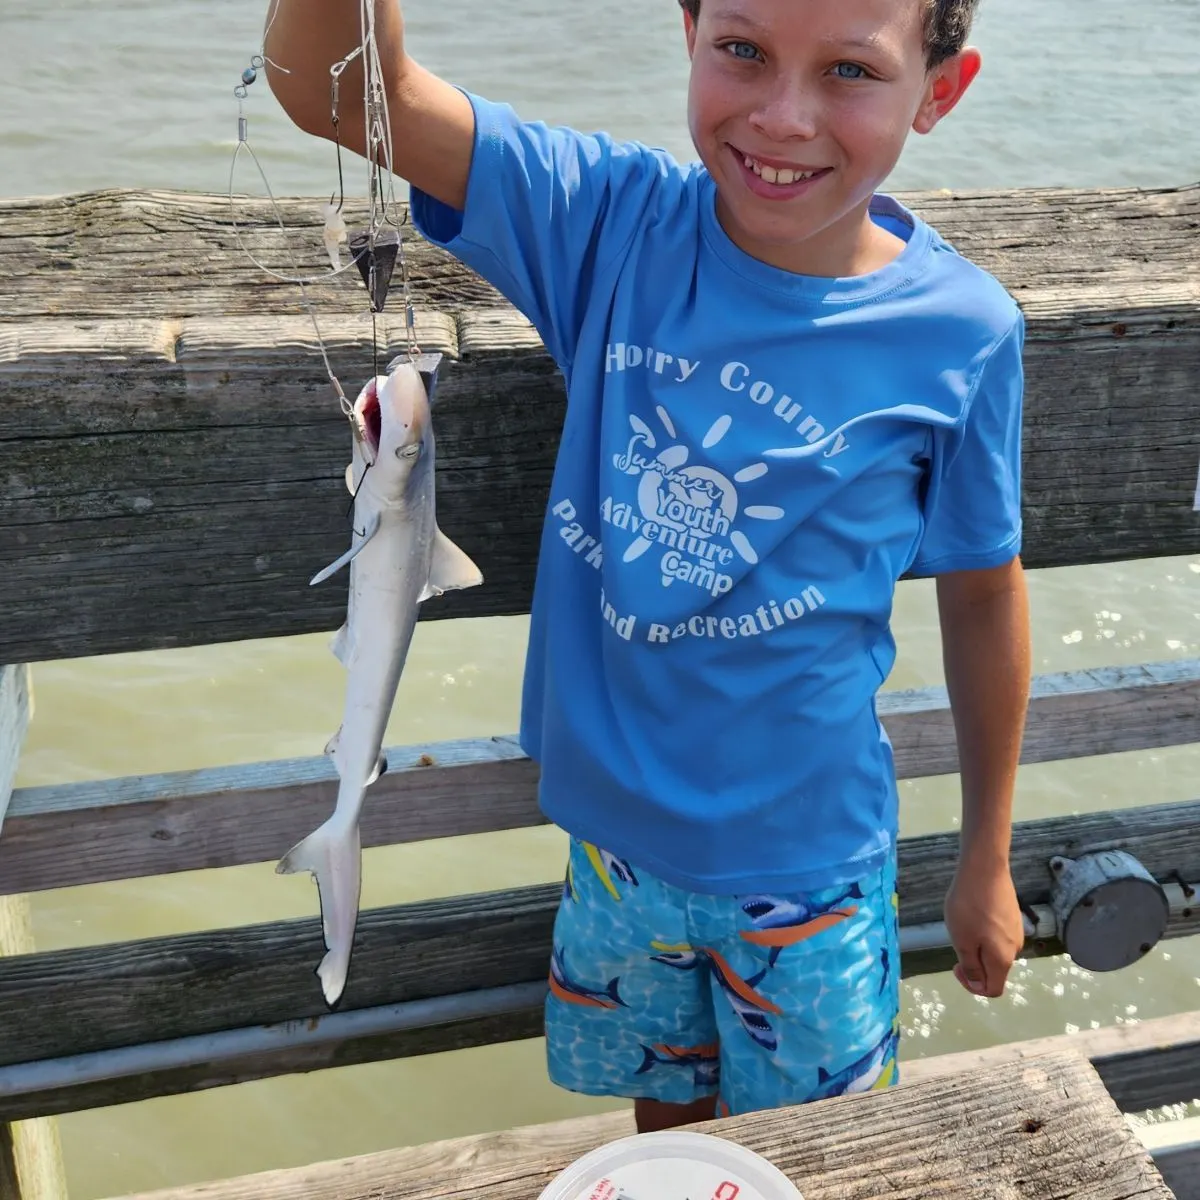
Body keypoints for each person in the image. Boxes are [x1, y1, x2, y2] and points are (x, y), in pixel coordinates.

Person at [265, 0, 1031, 1133]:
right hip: (612, 850)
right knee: (663, 1139)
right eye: (743, 50)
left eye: (850, 72)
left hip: (812, 875)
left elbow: (982, 595)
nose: (783, 117)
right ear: (687, 32)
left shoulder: (962, 332)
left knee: (814, 1159)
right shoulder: (611, 227)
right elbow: (333, 90)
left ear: (940, 88)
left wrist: (988, 856)